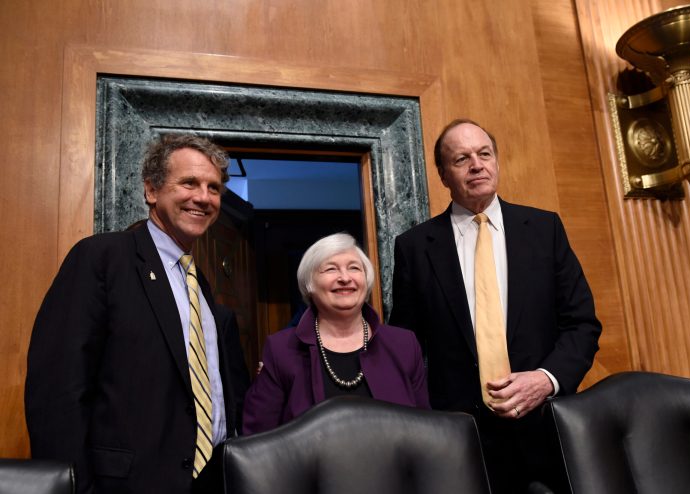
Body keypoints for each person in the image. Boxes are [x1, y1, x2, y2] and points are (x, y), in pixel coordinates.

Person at [25, 134, 250, 494]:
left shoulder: (201, 286)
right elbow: (57, 393)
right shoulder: (102, 258)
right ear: (151, 190)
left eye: (214, 188)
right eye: (189, 183)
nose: (204, 198)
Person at [389, 119, 601, 493]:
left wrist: (545, 379)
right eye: (461, 158)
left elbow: (582, 324)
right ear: (443, 175)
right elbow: (406, 347)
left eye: (484, 154)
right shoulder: (415, 247)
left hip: (545, 428)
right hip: (457, 439)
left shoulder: (544, 229)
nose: (477, 165)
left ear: (497, 162)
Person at [242, 233, 429, 434]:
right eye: (331, 269)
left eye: (354, 268)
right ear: (309, 285)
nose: (345, 278)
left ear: (366, 281)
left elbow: (425, 428)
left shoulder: (403, 344)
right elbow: (257, 437)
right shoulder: (281, 350)